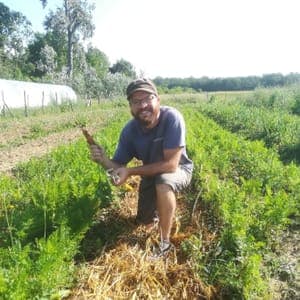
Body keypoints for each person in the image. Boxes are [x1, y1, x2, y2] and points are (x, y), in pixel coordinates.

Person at [89, 78, 193, 257]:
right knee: (144, 221)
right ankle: (159, 212)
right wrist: (103, 160)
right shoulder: (129, 131)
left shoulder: (172, 118)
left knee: (164, 181)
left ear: (158, 100)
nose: (143, 105)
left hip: (178, 169)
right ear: (130, 107)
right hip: (151, 175)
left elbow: (170, 165)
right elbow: (118, 166)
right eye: (136, 102)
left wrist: (130, 172)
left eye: (148, 98)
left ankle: (164, 243)